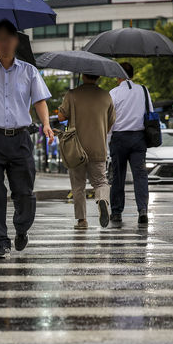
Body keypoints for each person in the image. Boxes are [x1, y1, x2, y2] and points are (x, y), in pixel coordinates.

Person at [0, 20, 54, 259]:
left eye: (9, 38)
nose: (4, 43)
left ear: (16, 41)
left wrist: (46, 123)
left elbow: (39, 101)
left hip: (20, 138)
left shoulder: (28, 71)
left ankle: (22, 227)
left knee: (24, 192)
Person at [57, 73, 115, 229]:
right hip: (98, 147)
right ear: (98, 77)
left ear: (83, 76)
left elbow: (61, 117)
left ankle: (82, 221)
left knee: (78, 186)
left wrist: (67, 102)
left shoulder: (72, 94)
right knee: (101, 181)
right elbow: (111, 123)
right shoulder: (106, 96)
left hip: (76, 148)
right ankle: (102, 199)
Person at [108, 62, 151, 227]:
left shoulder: (113, 93)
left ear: (119, 75)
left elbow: (110, 120)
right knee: (140, 175)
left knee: (118, 176)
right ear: (132, 75)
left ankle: (117, 212)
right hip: (139, 138)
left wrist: (108, 141)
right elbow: (150, 112)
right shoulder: (143, 90)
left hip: (119, 138)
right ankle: (143, 210)